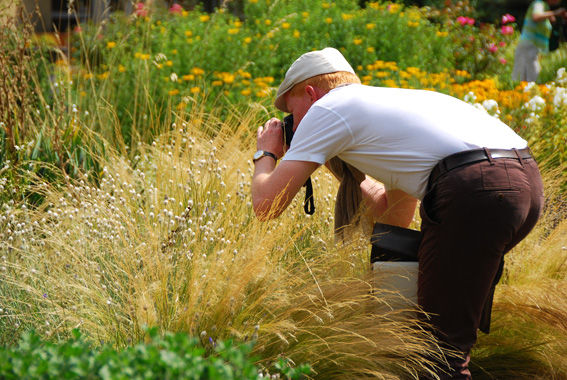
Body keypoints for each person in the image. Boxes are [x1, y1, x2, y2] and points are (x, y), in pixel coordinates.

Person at [251, 47, 545, 379]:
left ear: (310, 93)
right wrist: (339, 172)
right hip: (523, 183)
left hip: (475, 189)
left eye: (292, 113)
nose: (294, 126)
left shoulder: (327, 109)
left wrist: (268, 151)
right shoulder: (392, 106)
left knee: (438, 353)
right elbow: (394, 219)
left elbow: (265, 205)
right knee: (440, 332)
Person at [512, 0, 567, 82]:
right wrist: (554, 13)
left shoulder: (545, 7)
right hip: (527, 49)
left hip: (533, 51)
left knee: (528, 82)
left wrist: (550, 17)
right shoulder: (539, 4)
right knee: (530, 81)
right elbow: (536, 17)